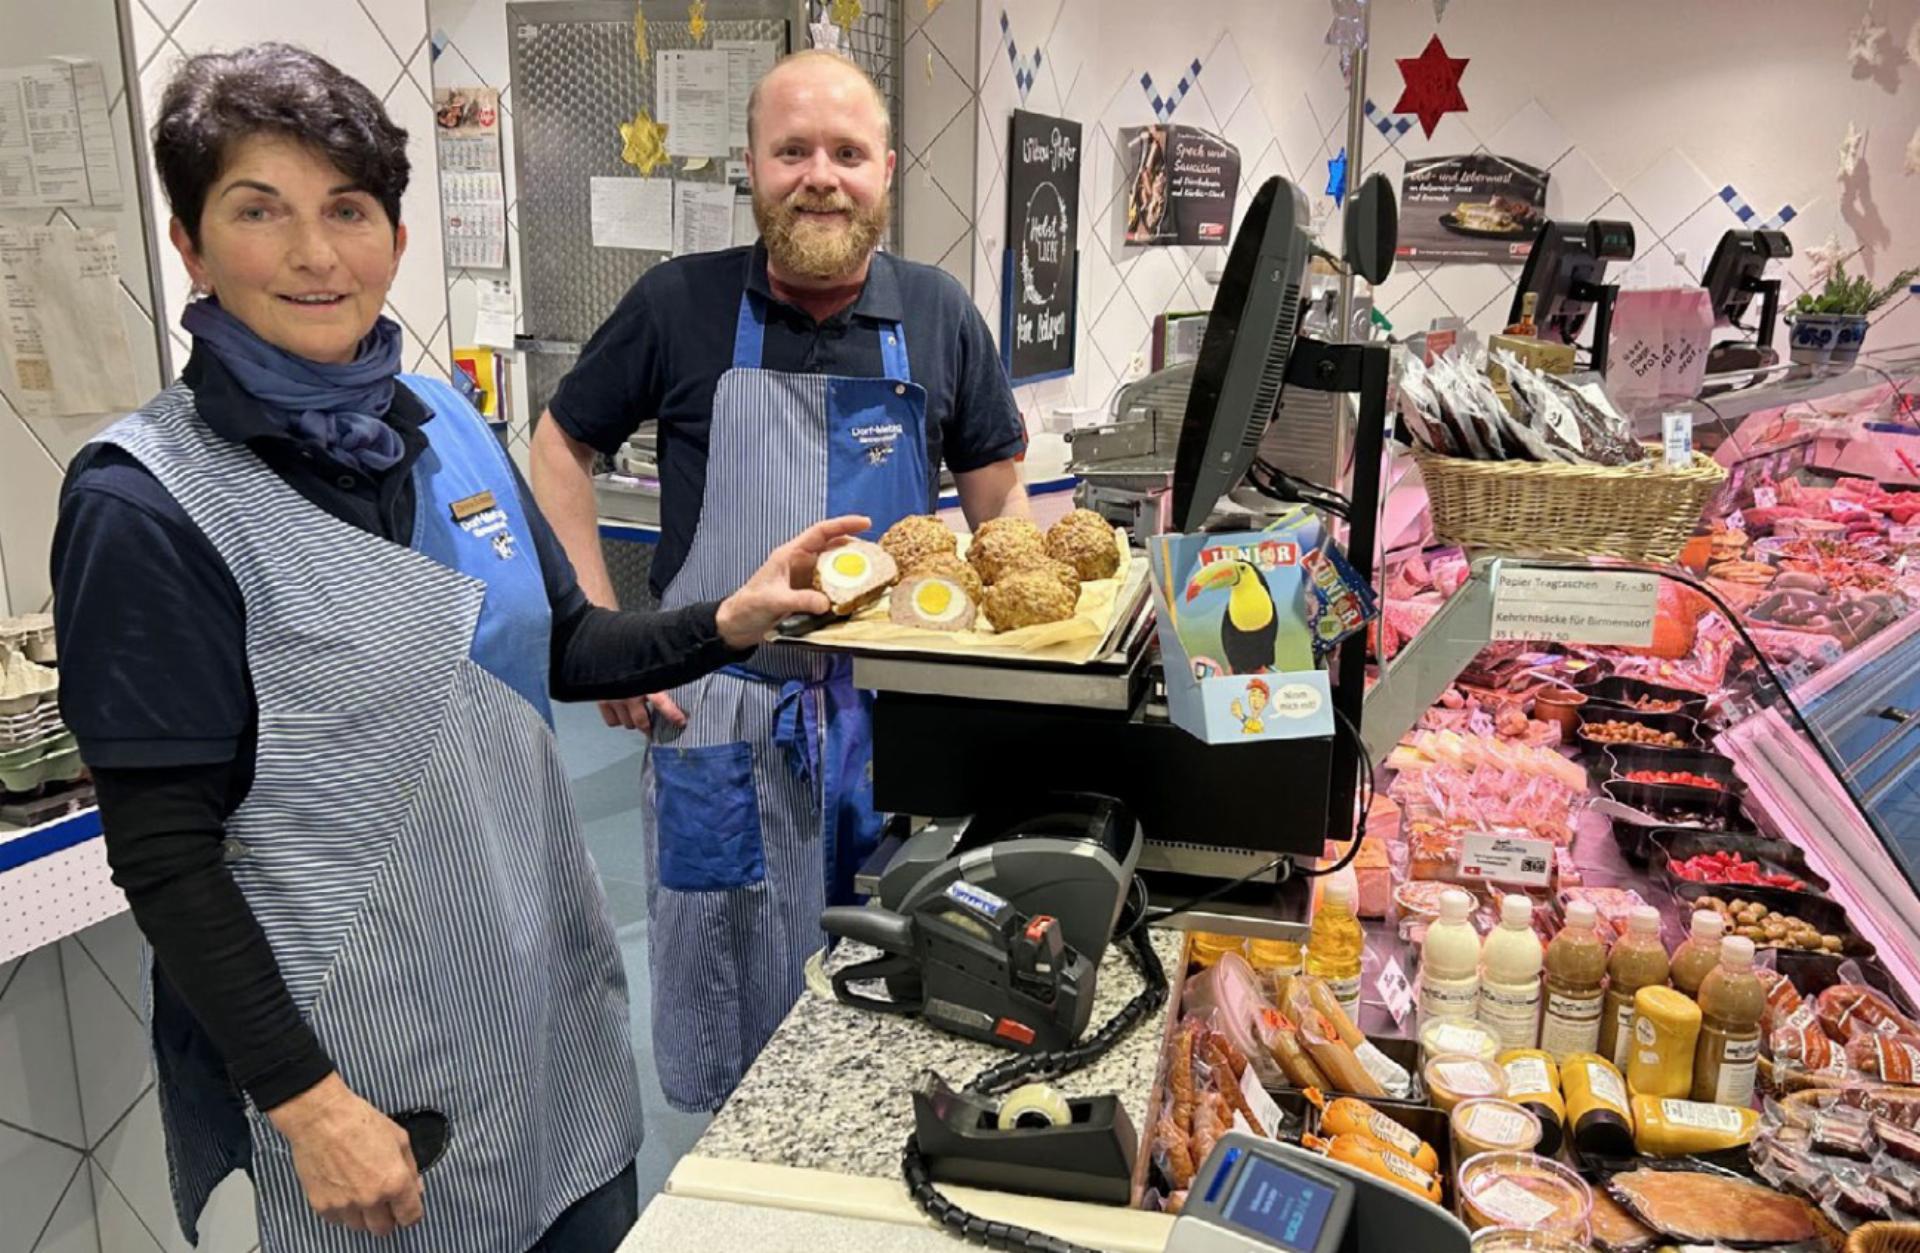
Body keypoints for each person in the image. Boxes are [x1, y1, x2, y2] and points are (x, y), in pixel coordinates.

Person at [50, 44, 864, 1252]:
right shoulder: (147, 502)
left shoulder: (446, 427)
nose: (316, 254)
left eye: (348, 210)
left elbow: (562, 644)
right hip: (367, 1093)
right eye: (258, 211)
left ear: (395, 232)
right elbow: (166, 853)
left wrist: (725, 619)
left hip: (551, 1039)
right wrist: (305, 1099)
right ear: (189, 242)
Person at [530, 50, 1030, 1111]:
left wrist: (1017, 663)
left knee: (899, 1013)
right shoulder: (678, 304)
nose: (820, 175)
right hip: (722, 719)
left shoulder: (938, 314)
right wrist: (601, 626)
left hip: (898, 729)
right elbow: (558, 444)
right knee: (733, 1020)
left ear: (885, 169)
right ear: (750, 167)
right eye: (792, 150)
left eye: (847, 153)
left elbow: (1000, 500)